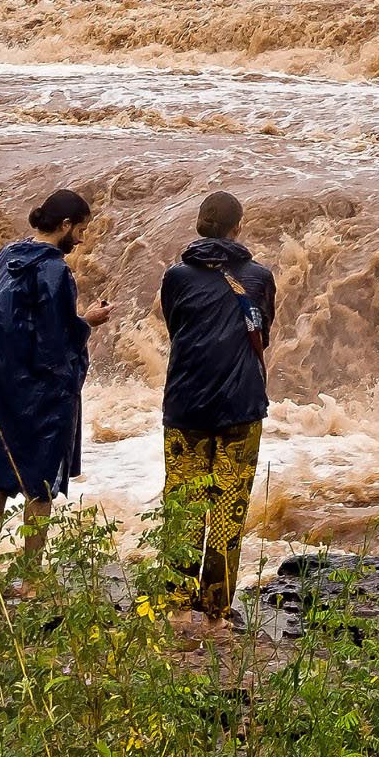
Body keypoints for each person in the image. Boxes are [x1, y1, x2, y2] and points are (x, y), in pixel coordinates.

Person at [0, 189, 112, 564]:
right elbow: (54, 341)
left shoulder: (10, 254)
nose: (81, 239)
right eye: (80, 230)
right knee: (40, 483)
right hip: (33, 389)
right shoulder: (54, 270)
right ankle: (31, 576)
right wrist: (88, 323)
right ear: (64, 225)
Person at [159, 190, 275, 619]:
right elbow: (262, 329)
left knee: (184, 504)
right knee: (228, 509)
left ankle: (175, 602)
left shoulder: (177, 277)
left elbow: (177, 329)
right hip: (240, 406)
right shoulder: (259, 277)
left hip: (186, 403)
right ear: (238, 227)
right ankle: (215, 607)